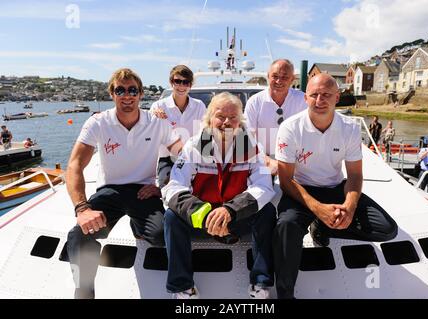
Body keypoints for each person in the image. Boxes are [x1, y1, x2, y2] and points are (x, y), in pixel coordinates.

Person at [273, 74, 398, 299]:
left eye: (326, 95)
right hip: (300, 190)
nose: (320, 100)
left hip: (334, 188)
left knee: (386, 229)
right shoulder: (290, 128)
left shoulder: (349, 128)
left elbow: (355, 174)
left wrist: (349, 207)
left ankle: (323, 226)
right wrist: (317, 208)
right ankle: (285, 292)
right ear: (305, 98)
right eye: (314, 95)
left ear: (337, 98)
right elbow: (285, 180)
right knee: (286, 227)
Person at [65, 68, 182, 299]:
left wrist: (164, 186)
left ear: (140, 94)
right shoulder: (98, 123)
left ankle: (138, 226)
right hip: (110, 190)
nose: (127, 95)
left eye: (132, 90)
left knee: (160, 235)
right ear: (112, 94)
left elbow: (183, 156)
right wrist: (82, 208)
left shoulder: (157, 123)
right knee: (80, 234)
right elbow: (74, 165)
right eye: (120, 90)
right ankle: (84, 291)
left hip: (143, 190)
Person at [162, 92, 276, 299]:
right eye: (220, 116)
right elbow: (173, 187)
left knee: (267, 211)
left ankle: (260, 282)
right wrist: (203, 214)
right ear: (209, 119)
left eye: (233, 118)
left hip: (235, 215)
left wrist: (231, 210)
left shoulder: (248, 146)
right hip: (202, 217)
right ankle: (182, 286)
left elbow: (265, 186)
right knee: (171, 216)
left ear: (240, 120)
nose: (226, 122)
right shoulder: (196, 145)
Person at [244, 59, 308, 175]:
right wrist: (268, 162)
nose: (279, 81)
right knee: (265, 189)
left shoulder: (303, 100)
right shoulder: (254, 102)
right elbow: (247, 140)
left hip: (295, 162)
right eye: (275, 76)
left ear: (292, 79)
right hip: (263, 161)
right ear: (268, 76)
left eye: (284, 77)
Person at [150, 65, 206, 188]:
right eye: (177, 81)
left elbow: (205, 134)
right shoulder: (158, 107)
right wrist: (154, 117)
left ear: (190, 85)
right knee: (168, 187)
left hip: (193, 158)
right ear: (171, 83)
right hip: (167, 159)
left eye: (185, 82)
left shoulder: (199, 106)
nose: (181, 86)